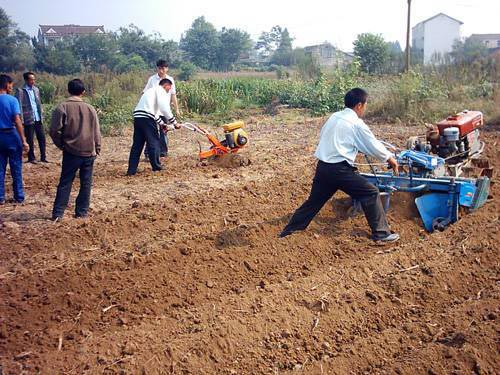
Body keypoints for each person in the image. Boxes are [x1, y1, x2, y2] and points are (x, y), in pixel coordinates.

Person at [280, 88, 400, 243]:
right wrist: (389, 158)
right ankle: (382, 234)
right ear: (359, 105)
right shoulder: (356, 123)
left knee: (314, 202)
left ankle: (288, 232)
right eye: (365, 105)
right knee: (370, 192)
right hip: (339, 170)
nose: (365, 108)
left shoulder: (334, 117)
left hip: (323, 167)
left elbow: (328, 136)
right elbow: (372, 144)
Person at [49, 79, 101, 220]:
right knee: (86, 183)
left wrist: (62, 145)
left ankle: (58, 214)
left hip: (71, 151)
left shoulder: (62, 107)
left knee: (65, 182)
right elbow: (96, 131)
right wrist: (97, 148)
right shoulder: (90, 108)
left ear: (68, 90)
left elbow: (54, 130)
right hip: (89, 151)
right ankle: (82, 212)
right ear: (83, 92)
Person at [127, 78, 178, 176]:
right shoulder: (160, 91)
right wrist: (174, 122)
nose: (169, 91)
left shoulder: (150, 91)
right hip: (147, 118)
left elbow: (153, 113)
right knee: (154, 142)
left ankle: (131, 170)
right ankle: (156, 166)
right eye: (169, 88)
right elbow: (164, 109)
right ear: (165, 85)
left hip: (138, 118)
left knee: (137, 145)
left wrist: (162, 124)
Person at [0, 74, 29, 204]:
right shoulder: (12, 100)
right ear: (6, 85)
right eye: (11, 84)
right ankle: (19, 196)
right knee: (16, 167)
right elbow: (17, 120)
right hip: (11, 135)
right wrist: (23, 140)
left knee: (0, 168)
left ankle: (1, 197)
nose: (12, 86)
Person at [143, 59, 181, 158]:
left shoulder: (170, 80)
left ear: (167, 69)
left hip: (164, 110)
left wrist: (176, 109)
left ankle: (163, 152)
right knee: (152, 131)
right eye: (159, 68)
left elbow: (173, 95)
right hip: (153, 109)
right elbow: (145, 92)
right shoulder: (152, 79)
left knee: (164, 130)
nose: (161, 71)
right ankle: (148, 152)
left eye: (163, 68)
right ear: (157, 68)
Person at [15, 71, 48, 163]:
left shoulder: (36, 90)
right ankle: (31, 158)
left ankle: (43, 157)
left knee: (42, 137)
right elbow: (19, 106)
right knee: (30, 139)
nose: (33, 81)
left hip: (38, 117)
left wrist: (42, 115)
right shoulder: (21, 91)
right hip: (28, 118)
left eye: (34, 79)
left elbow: (39, 104)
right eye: (31, 79)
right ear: (26, 80)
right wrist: (21, 119)